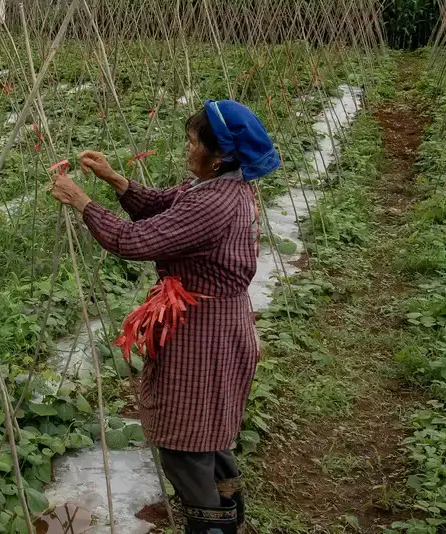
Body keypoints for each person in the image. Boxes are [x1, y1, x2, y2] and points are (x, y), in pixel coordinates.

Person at [51, 99, 280, 534]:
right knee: (206, 428)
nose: (187, 149)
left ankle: (211, 524)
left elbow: (135, 241)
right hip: (213, 325)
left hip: (204, 334)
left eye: (193, 142)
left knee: (184, 442)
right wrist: (116, 182)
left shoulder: (214, 202)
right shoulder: (217, 187)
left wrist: (82, 202)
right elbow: (163, 207)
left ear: (220, 155)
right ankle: (227, 509)